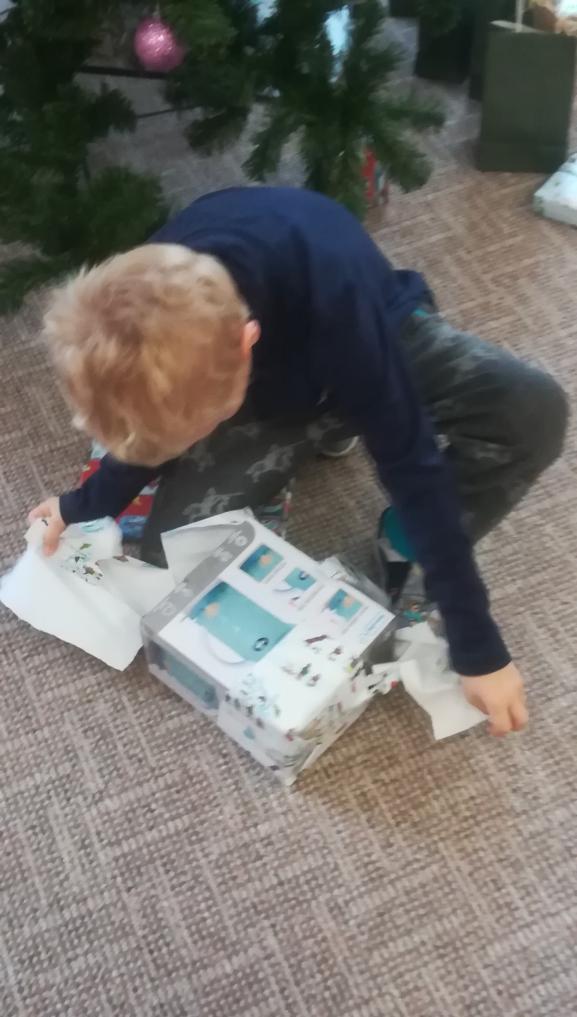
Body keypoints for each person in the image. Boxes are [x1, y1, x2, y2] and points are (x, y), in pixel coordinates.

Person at [29, 187, 568, 737]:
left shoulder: (339, 301)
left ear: (247, 342)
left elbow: (413, 465)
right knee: (177, 557)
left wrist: (477, 644)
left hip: (376, 349)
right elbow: (151, 428)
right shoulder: (144, 300)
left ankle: (396, 533)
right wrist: (83, 504)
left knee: (532, 412)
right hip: (271, 394)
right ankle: (300, 442)